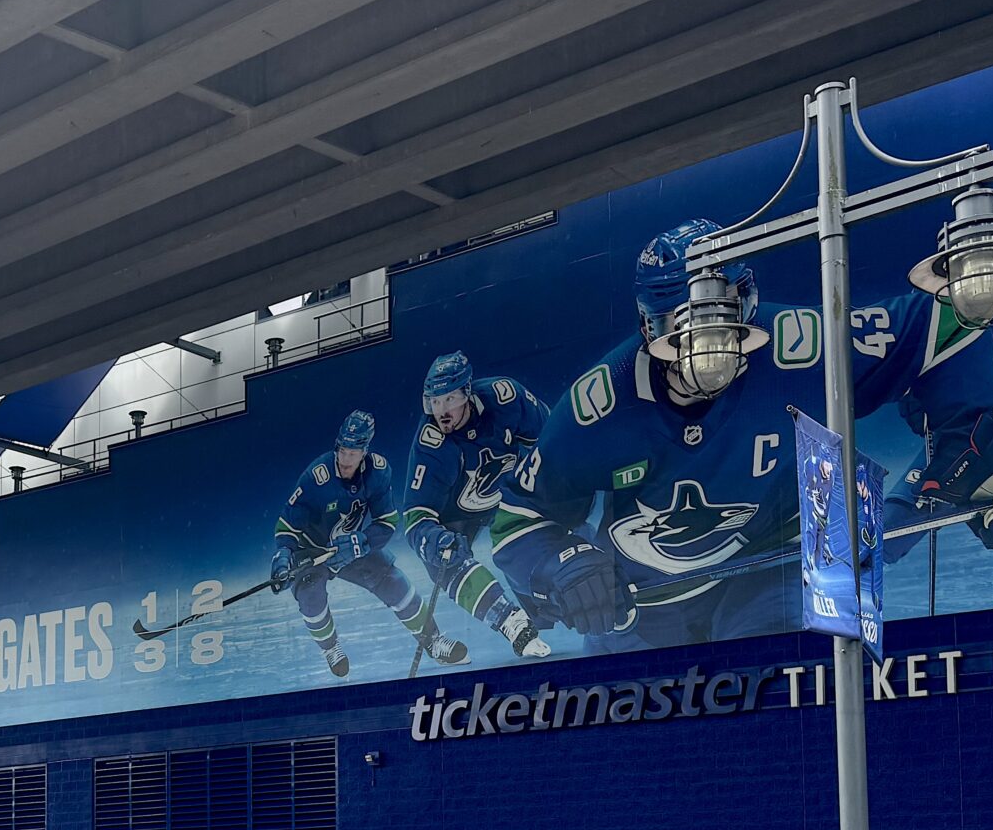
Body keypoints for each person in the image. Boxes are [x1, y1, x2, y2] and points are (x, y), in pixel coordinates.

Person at [495, 220, 822, 650]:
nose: (712, 342)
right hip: (642, 605)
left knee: (769, 692)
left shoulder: (803, 343)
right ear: (651, 325)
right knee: (617, 704)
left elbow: (922, 331)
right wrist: (565, 565)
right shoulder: (598, 405)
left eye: (726, 312)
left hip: (768, 566)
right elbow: (515, 519)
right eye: (690, 321)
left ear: (748, 301)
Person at [268, 409, 467, 678]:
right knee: (310, 593)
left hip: (349, 547)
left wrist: (362, 542)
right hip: (311, 551)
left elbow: (387, 522)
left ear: (365, 452)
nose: (345, 459)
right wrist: (283, 554)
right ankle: (330, 647)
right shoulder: (316, 477)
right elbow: (288, 525)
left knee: (392, 580)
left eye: (353, 452)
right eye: (342, 450)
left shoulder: (378, 473)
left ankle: (432, 640)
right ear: (336, 446)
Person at [395, 355, 551, 657]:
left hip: (510, 493)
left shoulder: (506, 398)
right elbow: (415, 517)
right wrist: (435, 539)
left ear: (468, 392)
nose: (441, 412)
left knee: (560, 514)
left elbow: (553, 437)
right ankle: (511, 622)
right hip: (456, 518)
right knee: (443, 560)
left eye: (449, 399)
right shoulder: (431, 444)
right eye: (434, 402)